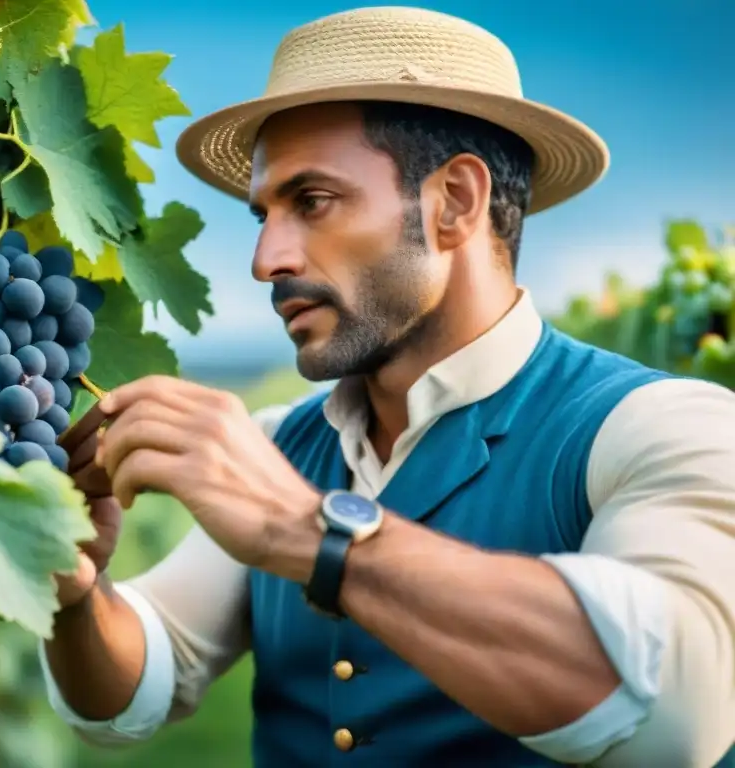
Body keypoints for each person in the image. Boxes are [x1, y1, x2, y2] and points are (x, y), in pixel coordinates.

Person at [42, 7, 735, 767]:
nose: (266, 258)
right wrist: (77, 598)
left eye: (312, 202)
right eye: (263, 215)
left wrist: (303, 529)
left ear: (455, 203)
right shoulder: (284, 440)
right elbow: (140, 684)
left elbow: (679, 713)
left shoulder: (662, 426)